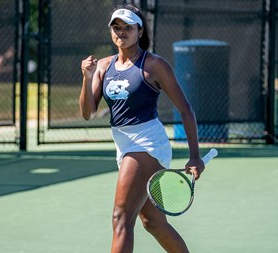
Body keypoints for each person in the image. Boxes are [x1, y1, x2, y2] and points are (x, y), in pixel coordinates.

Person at [79, 4, 205, 253]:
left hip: (147, 144)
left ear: (140, 31)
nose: (121, 32)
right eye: (117, 27)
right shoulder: (103, 66)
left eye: (128, 27)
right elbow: (88, 113)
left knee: (121, 218)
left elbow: (185, 109)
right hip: (124, 146)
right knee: (153, 223)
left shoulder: (155, 65)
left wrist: (194, 155)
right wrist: (87, 77)